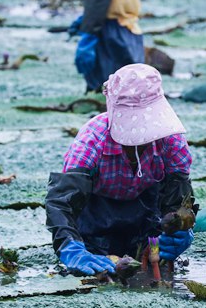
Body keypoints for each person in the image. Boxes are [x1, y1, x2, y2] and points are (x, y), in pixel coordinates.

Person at [45, 64, 194, 275]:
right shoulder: (92, 140)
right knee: (97, 276)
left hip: (146, 220)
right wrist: (70, 247)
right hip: (95, 221)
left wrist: (182, 227)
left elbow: (181, 197)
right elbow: (61, 203)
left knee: (150, 272)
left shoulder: (172, 141)